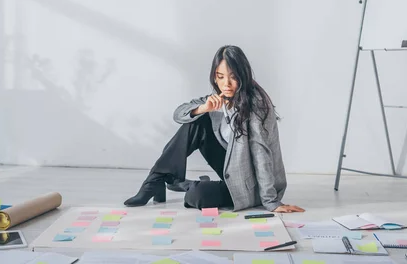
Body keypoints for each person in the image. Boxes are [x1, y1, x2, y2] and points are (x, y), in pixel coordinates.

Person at [124, 45, 304, 213]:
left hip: (252, 184)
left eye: (233, 77)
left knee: (197, 196)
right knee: (195, 121)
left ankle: (183, 184)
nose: (226, 84)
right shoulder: (219, 97)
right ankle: (154, 181)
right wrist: (203, 108)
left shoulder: (256, 104)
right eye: (220, 76)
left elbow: (261, 153)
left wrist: (271, 202)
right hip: (231, 168)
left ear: (243, 75)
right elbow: (178, 114)